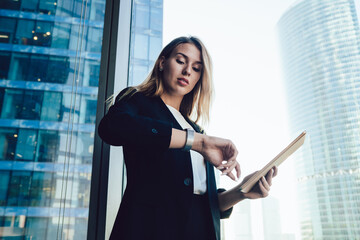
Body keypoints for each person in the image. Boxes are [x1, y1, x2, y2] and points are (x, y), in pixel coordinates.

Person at [98, 36, 278, 240]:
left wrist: (242, 191)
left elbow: (203, 202)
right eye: (181, 61)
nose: (187, 71)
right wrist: (198, 142)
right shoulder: (137, 101)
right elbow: (112, 127)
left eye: (197, 68)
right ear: (162, 62)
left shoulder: (197, 129)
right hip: (149, 229)